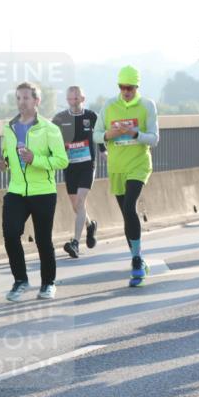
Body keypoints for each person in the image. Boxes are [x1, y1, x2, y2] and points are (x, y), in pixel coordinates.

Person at [0, 82, 68, 301]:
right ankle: (20, 281)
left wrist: (35, 159)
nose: (21, 102)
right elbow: (8, 153)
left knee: (42, 240)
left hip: (43, 192)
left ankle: (48, 283)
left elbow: (62, 161)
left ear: (37, 101)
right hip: (16, 191)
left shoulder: (50, 129)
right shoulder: (9, 127)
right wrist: (5, 162)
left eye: (26, 98)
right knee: (10, 234)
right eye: (18, 98)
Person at [93, 65, 160, 287]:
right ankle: (138, 258)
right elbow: (95, 135)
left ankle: (136, 260)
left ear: (137, 87)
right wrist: (108, 134)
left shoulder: (147, 105)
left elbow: (154, 138)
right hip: (117, 166)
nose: (126, 91)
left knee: (130, 207)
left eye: (130, 88)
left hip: (139, 164)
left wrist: (135, 133)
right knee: (125, 214)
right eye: (122, 87)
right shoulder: (110, 106)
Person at [52, 86, 99, 258]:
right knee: (76, 206)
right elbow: (50, 137)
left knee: (80, 201)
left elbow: (99, 135)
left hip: (87, 165)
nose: (73, 102)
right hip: (70, 166)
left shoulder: (91, 116)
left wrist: (102, 151)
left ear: (83, 98)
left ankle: (75, 243)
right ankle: (90, 225)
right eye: (70, 99)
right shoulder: (60, 118)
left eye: (76, 99)